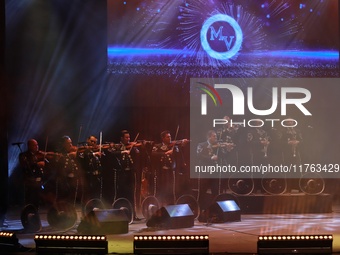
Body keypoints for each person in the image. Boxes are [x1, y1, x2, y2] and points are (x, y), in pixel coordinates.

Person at [109, 130, 140, 221]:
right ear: (122, 138)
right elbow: (111, 152)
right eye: (126, 137)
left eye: (129, 137)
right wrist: (123, 152)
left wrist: (134, 148)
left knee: (132, 194)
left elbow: (138, 154)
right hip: (121, 174)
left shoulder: (131, 146)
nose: (128, 139)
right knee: (121, 194)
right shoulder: (117, 147)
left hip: (130, 173)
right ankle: (118, 215)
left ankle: (133, 215)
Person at [152, 130, 188, 206]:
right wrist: (165, 153)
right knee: (161, 189)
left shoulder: (174, 146)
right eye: (167, 137)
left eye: (170, 136)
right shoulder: (158, 146)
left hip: (171, 171)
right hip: (161, 171)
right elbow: (153, 154)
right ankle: (160, 205)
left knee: (171, 189)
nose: (170, 138)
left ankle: (171, 205)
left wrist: (182, 144)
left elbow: (179, 155)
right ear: (163, 138)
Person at [196, 130, 226, 210]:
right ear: (209, 137)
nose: (216, 138)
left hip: (215, 171)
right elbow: (199, 156)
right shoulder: (201, 145)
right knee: (202, 191)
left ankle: (215, 209)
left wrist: (224, 148)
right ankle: (200, 209)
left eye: (216, 136)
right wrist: (210, 158)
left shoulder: (218, 146)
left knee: (215, 191)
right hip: (205, 171)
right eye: (214, 136)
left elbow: (223, 156)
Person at [19, 139, 45, 209]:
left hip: (38, 181)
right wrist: (37, 164)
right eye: (34, 145)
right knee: (30, 198)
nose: (37, 147)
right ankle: (28, 211)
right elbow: (25, 165)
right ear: (29, 146)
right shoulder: (24, 155)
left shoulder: (37, 155)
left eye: (37, 145)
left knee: (37, 198)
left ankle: (36, 210)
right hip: (30, 181)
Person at [78, 135, 104, 205]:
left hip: (96, 176)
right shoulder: (83, 150)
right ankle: (86, 210)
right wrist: (94, 154)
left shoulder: (95, 151)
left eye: (95, 142)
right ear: (87, 140)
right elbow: (84, 156)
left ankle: (95, 207)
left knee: (96, 194)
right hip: (87, 176)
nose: (93, 143)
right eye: (92, 141)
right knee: (87, 194)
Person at [55, 135, 81, 205]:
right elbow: (59, 167)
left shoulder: (73, 152)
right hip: (64, 179)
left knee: (73, 197)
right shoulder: (60, 153)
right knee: (64, 198)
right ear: (63, 144)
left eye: (71, 143)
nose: (71, 145)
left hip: (73, 179)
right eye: (68, 143)